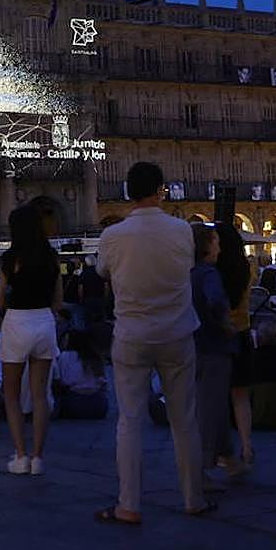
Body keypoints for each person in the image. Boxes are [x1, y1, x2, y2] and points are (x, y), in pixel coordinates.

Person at [94, 162, 209, 525]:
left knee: (129, 420)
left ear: (128, 192)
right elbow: (187, 267)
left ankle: (128, 504)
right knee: (184, 419)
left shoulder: (113, 235)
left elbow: (102, 272)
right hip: (177, 332)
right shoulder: (183, 230)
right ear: (161, 190)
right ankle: (193, 498)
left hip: (132, 334)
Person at [0, 205, 62, 474]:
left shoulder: (10, 258)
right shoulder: (51, 257)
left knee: (11, 394)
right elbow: (58, 301)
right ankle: (38, 457)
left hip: (17, 321)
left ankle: (21, 455)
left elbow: (0, 299)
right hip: (44, 321)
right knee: (39, 395)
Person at [190, 223, 238, 487]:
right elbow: (216, 300)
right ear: (207, 246)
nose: (219, 248)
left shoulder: (189, 272)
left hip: (194, 345)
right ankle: (200, 469)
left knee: (213, 405)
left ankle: (228, 457)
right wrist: (226, 323)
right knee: (210, 409)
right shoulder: (209, 273)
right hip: (214, 346)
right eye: (216, 242)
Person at [213, 221, 254, 473]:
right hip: (243, 332)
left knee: (218, 397)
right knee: (241, 396)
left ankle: (223, 451)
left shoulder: (212, 272)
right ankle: (247, 446)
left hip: (220, 335)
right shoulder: (246, 267)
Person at [54, 330, 109, 419]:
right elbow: (103, 382)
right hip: (99, 405)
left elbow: (62, 381)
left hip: (74, 402)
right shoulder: (95, 358)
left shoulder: (65, 356)